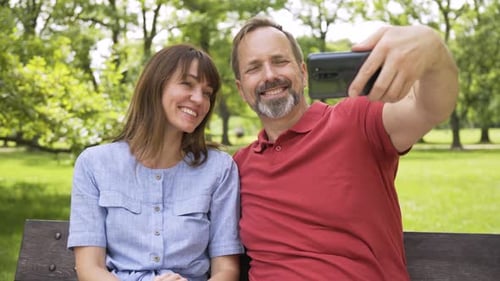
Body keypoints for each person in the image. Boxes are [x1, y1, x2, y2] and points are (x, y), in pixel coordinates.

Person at [230, 16, 458, 280]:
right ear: (241, 89)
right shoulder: (238, 168)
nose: (270, 75)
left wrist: (434, 52)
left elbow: (431, 108)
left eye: (279, 61)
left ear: (303, 73)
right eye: (254, 68)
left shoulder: (357, 120)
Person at [67, 44, 244, 281]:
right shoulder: (94, 164)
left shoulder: (219, 169)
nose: (199, 99)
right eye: (187, 84)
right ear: (155, 86)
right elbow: (90, 268)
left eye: (207, 92)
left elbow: (227, 270)